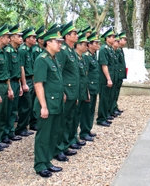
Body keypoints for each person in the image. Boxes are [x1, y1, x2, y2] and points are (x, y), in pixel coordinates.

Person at [33, 26, 65, 178]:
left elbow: (56, 80)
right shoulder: (42, 59)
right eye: (57, 42)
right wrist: (43, 106)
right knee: (43, 136)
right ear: (48, 43)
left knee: (53, 134)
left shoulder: (54, 59)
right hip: (47, 104)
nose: (60, 44)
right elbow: (38, 84)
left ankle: (47, 161)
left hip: (56, 103)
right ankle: (40, 165)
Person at [54, 21, 80, 161]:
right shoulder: (62, 51)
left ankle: (65, 145)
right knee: (62, 121)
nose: (77, 36)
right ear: (67, 36)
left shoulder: (71, 51)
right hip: (66, 91)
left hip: (73, 92)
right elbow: (59, 72)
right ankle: (58, 148)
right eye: (74, 34)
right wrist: (62, 91)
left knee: (69, 120)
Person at [3, 25, 23, 143]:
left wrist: (20, 84)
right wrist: (9, 87)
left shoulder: (17, 51)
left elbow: (18, 70)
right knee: (8, 109)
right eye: (18, 36)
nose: (21, 38)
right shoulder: (8, 51)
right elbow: (8, 72)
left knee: (14, 109)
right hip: (10, 83)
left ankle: (11, 131)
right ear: (12, 38)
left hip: (16, 82)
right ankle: (5, 134)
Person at [16, 27, 37, 137]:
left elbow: (31, 67)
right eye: (33, 37)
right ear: (27, 39)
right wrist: (23, 83)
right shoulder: (23, 50)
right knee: (26, 105)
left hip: (30, 79)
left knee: (30, 104)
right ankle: (21, 128)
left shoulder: (30, 50)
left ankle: (25, 126)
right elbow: (21, 68)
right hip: (25, 80)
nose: (35, 39)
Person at [80, 32, 101, 141]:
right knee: (86, 111)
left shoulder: (93, 56)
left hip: (94, 87)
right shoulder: (86, 57)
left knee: (91, 110)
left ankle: (88, 129)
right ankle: (83, 132)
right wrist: (86, 89)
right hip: (89, 88)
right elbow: (85, 74)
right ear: (90, 45)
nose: (98, 45)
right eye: (96, 43)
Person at [96, 28, 116, 127]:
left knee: (108, 98)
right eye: (112, 37)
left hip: (111, 77)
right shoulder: (103, 49)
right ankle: (101, 118)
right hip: (104, 79)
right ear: (107, 38)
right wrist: (108, 78)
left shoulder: (110, 48)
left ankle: (105, 115)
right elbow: (104, 65)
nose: (114, 39)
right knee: (104, 99)